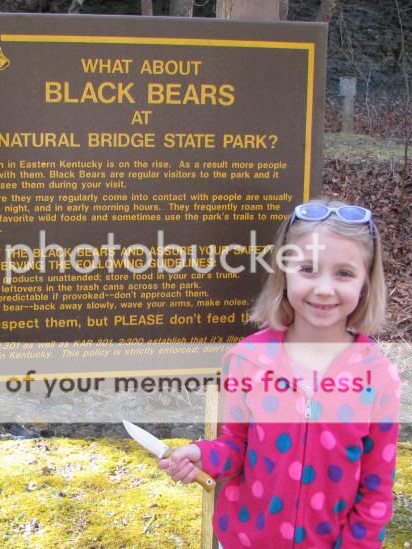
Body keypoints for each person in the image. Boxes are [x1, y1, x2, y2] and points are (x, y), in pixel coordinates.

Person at [159, 198, 400, 548]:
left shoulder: (378, 376)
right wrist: (202, 455)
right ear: (284, 273)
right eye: (307, 269)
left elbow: (376, 488)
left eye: (344, 273)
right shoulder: (248, 359)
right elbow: (235, 445)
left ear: (365, 282)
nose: (324, 288)